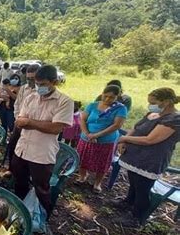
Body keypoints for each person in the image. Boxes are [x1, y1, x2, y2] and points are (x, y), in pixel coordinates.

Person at [11, 65, 73, 217]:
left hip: (42, 154)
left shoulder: (64, 102)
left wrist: (30, 123)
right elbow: (19, 121)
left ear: (54, 82)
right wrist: (39, 124)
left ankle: (44, 218)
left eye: (43, 84)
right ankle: (21, 215)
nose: (39, 87)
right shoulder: (30, 97)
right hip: (22, 149)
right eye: (37, 84)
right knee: (19, 183)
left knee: (42, 189)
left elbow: (56, 128)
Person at [116, 88, 180, 227]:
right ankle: (128, 202)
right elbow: (136, 127)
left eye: (154, 102)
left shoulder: (174, 119)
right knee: (133, 182)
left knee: (143, 188)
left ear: (167, 102)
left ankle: (137, 217)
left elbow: (151, 139)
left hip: (150, 159)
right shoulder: (154, 113)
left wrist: (125, 138)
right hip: (135, 155)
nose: (151, 105)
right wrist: (124, 140)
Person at [77, 85, 127, 193]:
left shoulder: (120, 109)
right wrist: (87, 133)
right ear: (102, 93)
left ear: (117, 97)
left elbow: (116, 125)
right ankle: (82, 176)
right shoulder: (93, 105)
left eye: (111, 97)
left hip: (105, 140)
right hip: (87, 137)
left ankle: (97, 183)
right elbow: (82, 119)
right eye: (106, 96)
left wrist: (97, 135)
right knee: (83, 158)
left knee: (102, 162)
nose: (107, 99)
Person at [5, 63, 40, 171]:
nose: (30, 81)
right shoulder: (24, 89)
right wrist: (17, 118)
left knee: (29, 152)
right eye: (28, 78)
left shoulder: (42, 92)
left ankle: (26, 173)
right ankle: (11, 170)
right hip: (19, 124)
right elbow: (17, 104)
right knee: (12, 146)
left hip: (33, 127)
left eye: (33, 79)